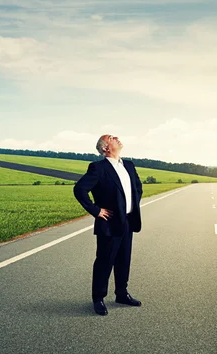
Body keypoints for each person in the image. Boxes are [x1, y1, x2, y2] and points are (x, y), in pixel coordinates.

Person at [73, 135, 143, 315]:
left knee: (124, 259)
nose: (117, 138)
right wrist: (96, 210)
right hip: (109, 222)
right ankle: (98, 298)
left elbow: (138, 187)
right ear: (105, 148)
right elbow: (80, 189)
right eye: (111, 138)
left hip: (127, 220)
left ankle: (121, 293)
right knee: (105, 261)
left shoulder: (128, 165)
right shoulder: (98, 168)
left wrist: (132, 206)